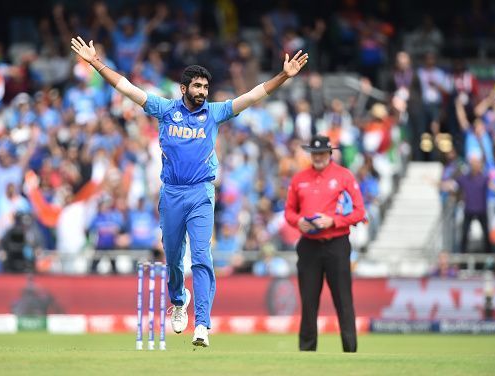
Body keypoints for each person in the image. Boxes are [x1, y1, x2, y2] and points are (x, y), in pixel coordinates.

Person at [71, 35, 308, 347]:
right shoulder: (165, 109)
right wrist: (96, 63)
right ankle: (178, 301)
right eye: (197, 87)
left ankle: (203, 324)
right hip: (171, 194)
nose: (202, 92)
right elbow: (126, 88)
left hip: (201, 194)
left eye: (205, 87)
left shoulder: (214, 112)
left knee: (200, 256)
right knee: (172, 258)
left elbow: (251, 97)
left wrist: (283, 77)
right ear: (184, 88)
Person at [284, 135, 365, 352]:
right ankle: (307, 353)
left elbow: (359, 212)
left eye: (322, 153)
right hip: (309, 245)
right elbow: (289, 212)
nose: (318, 157)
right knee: (309, 303)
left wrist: (334, 221)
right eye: (315, 153)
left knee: (343, 301)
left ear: (330, 154)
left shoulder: (344, 176)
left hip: (336, 243)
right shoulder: (299, 178)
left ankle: (350, 351)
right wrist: (299, 222)